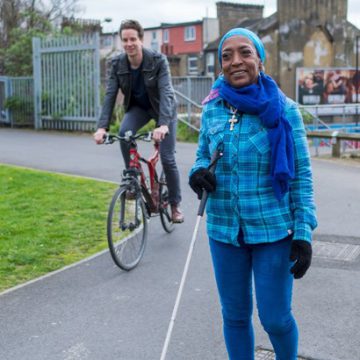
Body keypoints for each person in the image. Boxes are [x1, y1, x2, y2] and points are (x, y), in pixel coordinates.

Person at [189, 28, 317, 359]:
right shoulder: (213, 108)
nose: (236, 61)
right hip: (223, 230)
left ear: (260, 58)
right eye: (226, 56)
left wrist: (303, 233)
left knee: (275, 318)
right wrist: (197, 174)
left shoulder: (285, 110)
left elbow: (301, 176)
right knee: (233, 316)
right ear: (220, 65)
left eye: (245, 52)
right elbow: (203, 155)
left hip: (273, 230)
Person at [94, 19, 183, 223]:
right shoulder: (117, 64)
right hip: (139, 109)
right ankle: (132, 180)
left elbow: (166, 92)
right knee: (125, 134)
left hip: (164, 110)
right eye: (125, 40)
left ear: (141, 39)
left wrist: (162, 124)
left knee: (168, 158)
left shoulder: (158, 61)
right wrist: (101, 128)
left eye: (133, 39)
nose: (129, 44)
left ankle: (175, 204)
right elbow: (109, 96)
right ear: (121, 41)